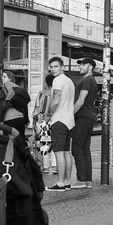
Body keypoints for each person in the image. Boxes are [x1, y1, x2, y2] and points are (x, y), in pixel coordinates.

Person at [45, 56, 75, 191]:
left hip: (59, 120)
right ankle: (67, 181)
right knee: (67, 152)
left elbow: (56, 101)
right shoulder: (69, 81)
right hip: (69, 120)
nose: (52, 69)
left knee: (59, 153)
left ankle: (61, 183)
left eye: (55, 66)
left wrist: (48, 114)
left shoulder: (58, 80)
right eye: (51, 67)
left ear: (62, 67)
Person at [71, 57, 98, 188]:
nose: (80, 66)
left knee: (76, 147)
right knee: (85, 148)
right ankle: (88, 180)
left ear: (91, 67)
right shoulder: (92, 81)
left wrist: (70, 115)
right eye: (80, 64)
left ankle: (81, 179)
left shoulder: (87, 80)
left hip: (83, 116)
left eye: (83, 64)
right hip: (89, 116)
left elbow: (81, 101)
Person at [0, 70, 28, 143]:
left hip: (8, 120)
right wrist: (26, 120)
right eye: (2, 77)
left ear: (10, 79)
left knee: (8, 142)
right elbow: (24, 106)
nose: (2, 78)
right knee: (20, 142)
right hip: (20, 119)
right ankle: (23, 153)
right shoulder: (18, 90)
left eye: (4, 77)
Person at [32, 74, 55, 173]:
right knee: (55, 144)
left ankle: (45, 166)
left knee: (44, 143)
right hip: (53, 120)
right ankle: (54, 166)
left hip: (41, 121)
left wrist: (35, 121)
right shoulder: (56, 94)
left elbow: (37, 107)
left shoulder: (42, 94)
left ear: (46, 82)